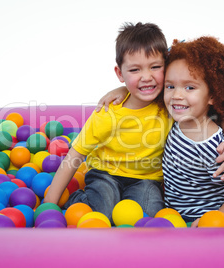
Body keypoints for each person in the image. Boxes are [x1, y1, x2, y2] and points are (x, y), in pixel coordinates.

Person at [44, 22, 172, 222]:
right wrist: (50, 202)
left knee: (146, 215)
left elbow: (190, 59)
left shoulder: (170, 103)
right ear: (120, 74)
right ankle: (76, 199)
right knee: (103, 210)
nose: (147, 77)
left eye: (155, 67)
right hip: (105, 173)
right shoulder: (108, 112)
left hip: (146, 180)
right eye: (135, 70)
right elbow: (75, 155)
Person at [162, 37, 224, 227]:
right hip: (171, 216)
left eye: (190, 87)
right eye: (170, 86)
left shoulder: (213, 147)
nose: (177, 95)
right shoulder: (175, 118)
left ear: (212, 95)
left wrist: (212, 220)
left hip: (201, 223)